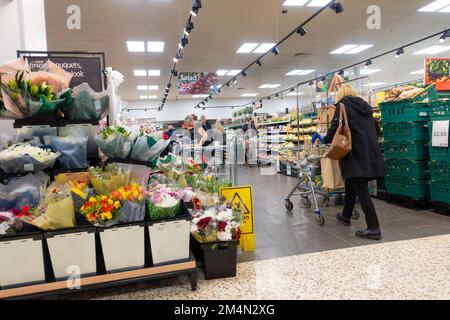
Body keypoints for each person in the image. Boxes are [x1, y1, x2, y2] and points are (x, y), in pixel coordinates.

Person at [322, 84, 385, 240]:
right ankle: (345, 215)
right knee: (351, 183)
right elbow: (377, 131)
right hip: (370, 153)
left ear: (341, 94)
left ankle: (373, 227)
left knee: (361, 190)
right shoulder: (366, 108)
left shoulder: (343, 106)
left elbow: (335, 128)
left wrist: (324, 139)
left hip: (355, 154)